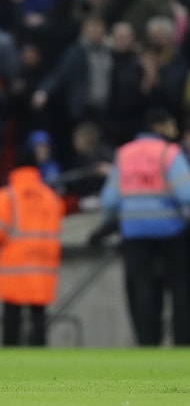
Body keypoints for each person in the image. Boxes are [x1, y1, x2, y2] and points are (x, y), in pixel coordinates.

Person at [92, 108, 190, 345]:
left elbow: (109, 200)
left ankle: (147, 342)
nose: (174, 131)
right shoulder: (169, 153)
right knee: (180, 288)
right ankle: (182, 341)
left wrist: (107, 224)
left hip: (134, 232)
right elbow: (186, 193)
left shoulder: (124, 154)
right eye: (170, 125)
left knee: (141, 288)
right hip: (171, 230)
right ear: (158, 127)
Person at [0, 149, 65, 346]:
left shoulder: (7, 196)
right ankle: (40, 354)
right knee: (39, 315)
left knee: (12, 315)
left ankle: (9, 356)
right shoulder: (50, 196)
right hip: (43, 264)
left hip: (15, 265)